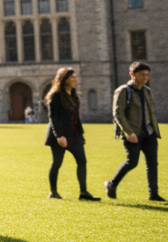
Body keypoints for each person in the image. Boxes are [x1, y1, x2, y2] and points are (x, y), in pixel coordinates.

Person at [106, 62, 162, 201]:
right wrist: (128, 132)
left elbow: (151, 112)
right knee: (132, 162)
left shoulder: (147, 91)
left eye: (147, 75)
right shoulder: (124, 91)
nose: (145, 77)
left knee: (152, 164)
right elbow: (118, 113)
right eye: (142, 74)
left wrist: (154, 130)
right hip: (133, 133)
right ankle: (112, 183)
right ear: (132, 74)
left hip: (149, 133)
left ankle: (154, 194)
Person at [44, 68, 100, 201]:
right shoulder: (56, 96)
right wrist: (59, 135)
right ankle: (53, 192)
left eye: (75, 77)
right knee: (57, 163)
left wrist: (80, 132)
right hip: (60, 135)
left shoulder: (74, 95)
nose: (75, 80)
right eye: (72, 77)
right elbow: (53, 118)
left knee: (82, 161)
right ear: (64, 79)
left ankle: (83, 192)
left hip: (73, 134)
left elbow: (76, 116)